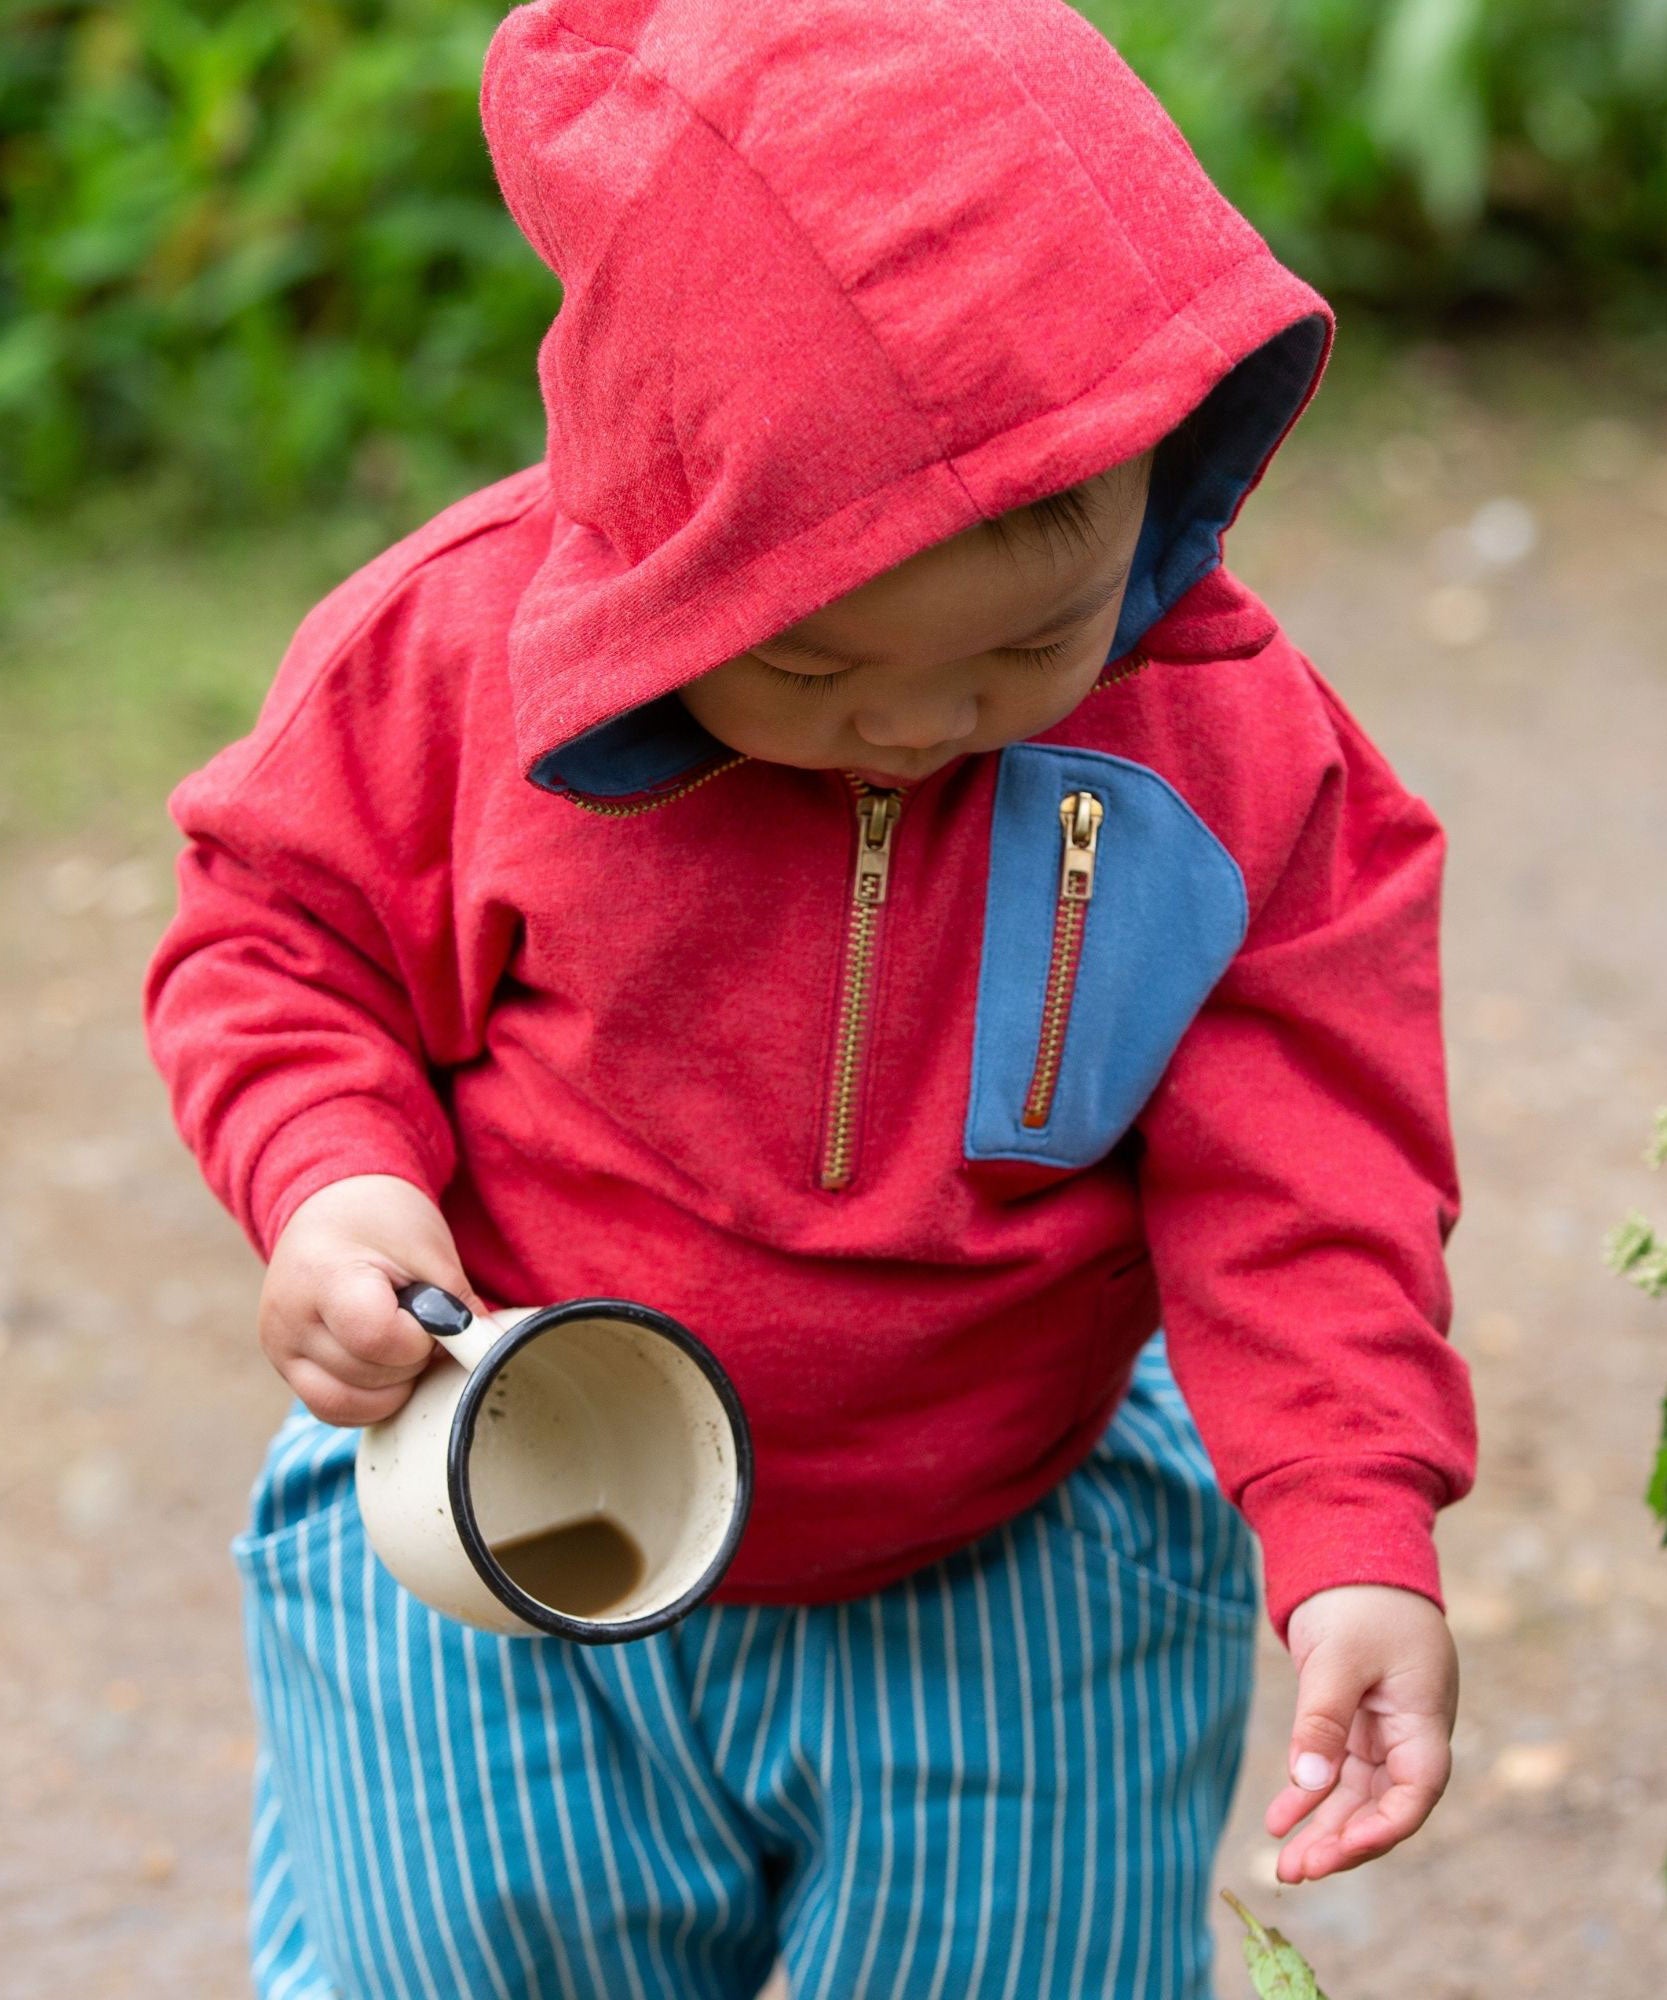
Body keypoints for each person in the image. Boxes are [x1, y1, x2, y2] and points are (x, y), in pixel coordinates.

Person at [143, 1, 1478, 1994]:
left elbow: (1314, 1155)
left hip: (1012, 1559)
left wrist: (1354, 1513)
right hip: (497, 1528)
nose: (928, 726)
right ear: (661, 553)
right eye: (816, 673)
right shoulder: (449, 670)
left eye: (1029, 640)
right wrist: (331, 1179)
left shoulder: (1219, 746)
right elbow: (276, 936)